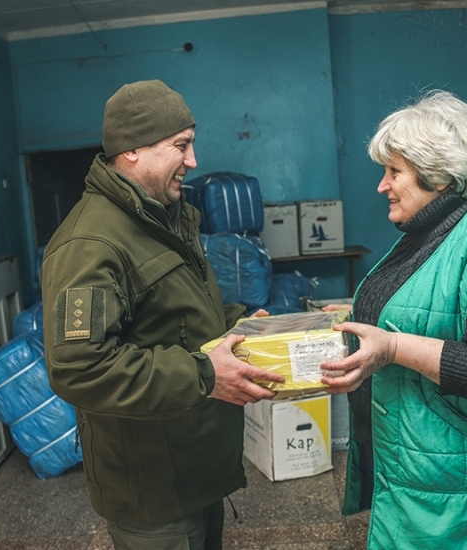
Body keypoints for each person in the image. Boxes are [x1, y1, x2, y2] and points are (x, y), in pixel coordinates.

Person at [40, 80, 284, 550]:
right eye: (181, 146)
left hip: (194, 463)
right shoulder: (90, 244)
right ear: (132, 150)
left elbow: (172, 314)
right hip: (152, 488)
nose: (192, 161)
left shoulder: (165, 215)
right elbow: (81, 368)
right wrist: (205, 375)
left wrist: (239, 322)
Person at [320, 90, 467, 549]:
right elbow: (429, 306)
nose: (382, 186)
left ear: (440, 176)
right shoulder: (436, 226)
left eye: (394, 172)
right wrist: (358, 314)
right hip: (425, 477)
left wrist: (391, 348)